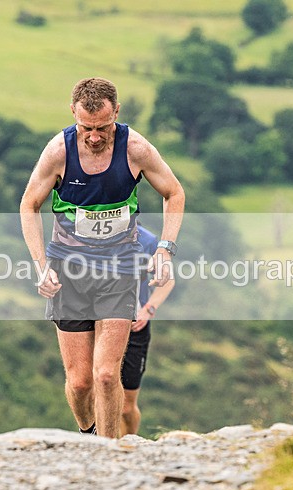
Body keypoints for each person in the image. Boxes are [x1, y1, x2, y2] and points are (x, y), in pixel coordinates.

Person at [20, 77, 184, 438]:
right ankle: (89, 436)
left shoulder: (136, 149)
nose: (95, 136)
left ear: (117, 113)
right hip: (69, 271)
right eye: (86, 128)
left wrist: (164, 249)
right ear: (73, 114)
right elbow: (29, 204)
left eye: (103, 127)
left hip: (120, 267)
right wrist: (40, 265)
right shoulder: (59, 152)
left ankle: (108, 457)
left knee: (107, 375)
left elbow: (174, 192)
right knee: (80, 384)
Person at [120, 223, 175, 436]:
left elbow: (168, 281)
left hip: (135, 327)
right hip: (100, 323)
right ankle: (105, 447)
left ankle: (132, 443)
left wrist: (148, 309)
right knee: (100, 390)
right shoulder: (91, 235)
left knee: (126, 406)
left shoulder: (148, 240)